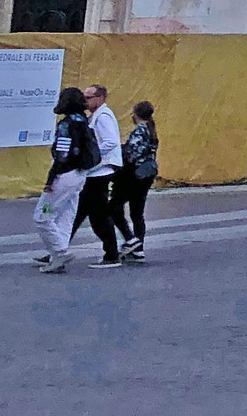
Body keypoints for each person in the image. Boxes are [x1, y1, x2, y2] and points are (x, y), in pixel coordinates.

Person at [32, 85, 98, 273]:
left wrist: (51, 179)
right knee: (66, 215)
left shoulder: (66, 125)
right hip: (79, 174)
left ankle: (59, 252)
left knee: (42, 216)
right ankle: (58, 256)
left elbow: (62, 154)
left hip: (64, 175)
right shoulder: (83, 121)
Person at [70, 83, 125, 266]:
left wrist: (91, 155)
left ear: (100, 98)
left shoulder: (103, 116)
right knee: (77, 214)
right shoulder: (96, 115)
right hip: (95, 172)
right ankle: (57, 249)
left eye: (88, 97)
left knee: (97, 216)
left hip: (100, 172)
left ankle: (111, 254)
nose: (85, 100)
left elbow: (110, 142)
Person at [119, 100, 159, 262]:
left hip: (135, 175)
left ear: (136, 114)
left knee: (115, 207)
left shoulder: (139, 131)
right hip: (148, 174)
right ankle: (139, 248)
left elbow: (132, 154)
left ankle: (132, 241)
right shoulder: (152, 130)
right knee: (138, 213)